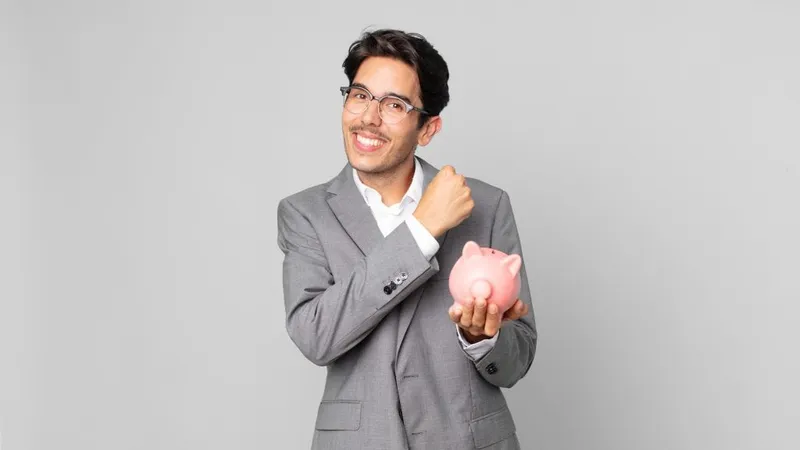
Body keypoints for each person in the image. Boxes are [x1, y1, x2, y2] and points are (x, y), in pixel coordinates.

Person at [276, 28, 537, 450]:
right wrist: (421, 230)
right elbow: (315, 336)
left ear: (427, 129)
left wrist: (482, 339)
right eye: (359, 95)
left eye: (394, 104)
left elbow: (517, 361)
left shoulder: (486, 205)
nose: (368, 118)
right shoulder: (304, 213)